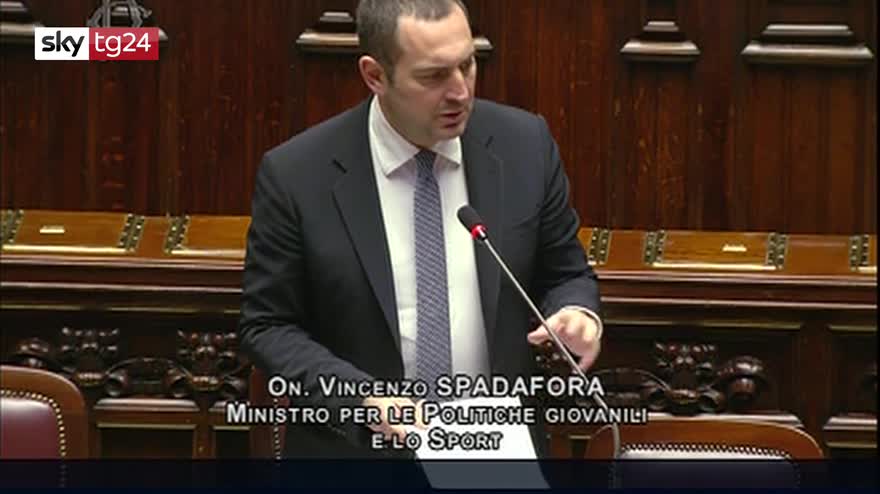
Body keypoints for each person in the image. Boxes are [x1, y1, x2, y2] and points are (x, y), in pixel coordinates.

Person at [239, 0, 602, 460]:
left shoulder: (524, 146)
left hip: (493, 453)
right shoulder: (297, 174)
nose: (460, 92)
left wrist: (576, 313)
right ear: (375, 75)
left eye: (467, 65)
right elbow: (267, 326)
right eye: (433, 76)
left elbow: (566, 271)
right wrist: (361, 399)